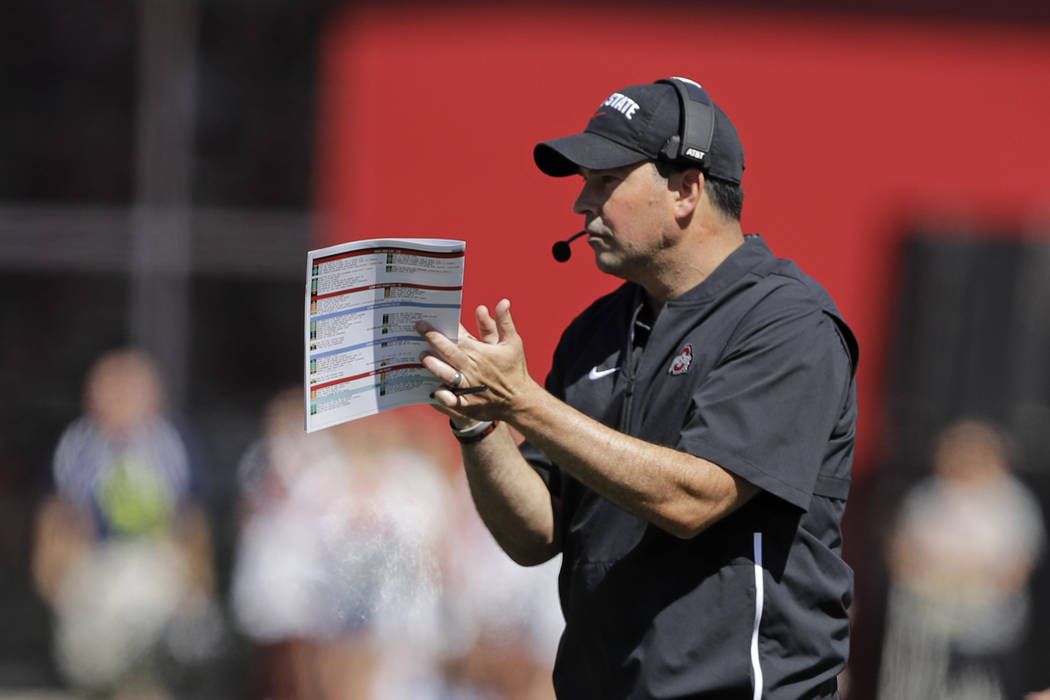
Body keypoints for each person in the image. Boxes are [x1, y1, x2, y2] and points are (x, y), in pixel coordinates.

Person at [416, 77, 859, 699]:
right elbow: (534, 535)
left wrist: (524, 402)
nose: (580, 204)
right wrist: (479, 420)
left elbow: (694, 499)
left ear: (686, 189)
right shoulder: (593, 332)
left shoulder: (786, 321)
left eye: (605, 180)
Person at [878, 419, 1045, 700]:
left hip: (987, 636)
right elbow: (902, 554)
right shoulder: (926, 496)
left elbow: (1018, 567)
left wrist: (968, 577)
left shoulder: (1014, 503)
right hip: (923, 632)